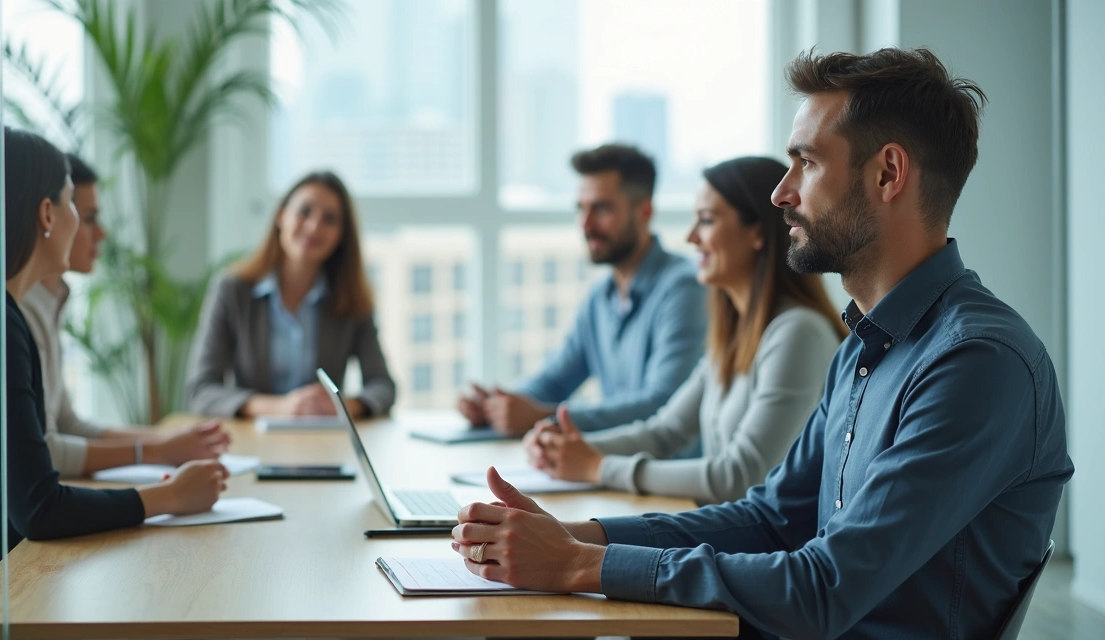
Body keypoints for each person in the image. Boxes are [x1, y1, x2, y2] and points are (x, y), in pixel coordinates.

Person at [450, 48, 1074, 639]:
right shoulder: (864, 345)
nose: (782, 192)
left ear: (888, 173)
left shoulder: (976, 363)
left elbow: (825, 588)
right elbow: (770, 518)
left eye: (807, 162)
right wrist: (575, 536)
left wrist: (577, 566)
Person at [0, 126, 226, 640]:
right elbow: (39, 509)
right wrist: (170, 498)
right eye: (72, 201)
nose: (81, 222)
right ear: (46, 214)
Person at [524, 157, 847, 502]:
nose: (691, 237)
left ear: (757, 233)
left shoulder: (797, 334)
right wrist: (567, 448)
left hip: (767, 548)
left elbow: (741, 475)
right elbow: (665, 432)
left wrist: (598, 467)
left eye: (706, 220)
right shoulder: (736, 333)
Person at [458, 144, 705, 437]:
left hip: (664, 477)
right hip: (611, 469)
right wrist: (496, 405)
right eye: (581, 209)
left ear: (644, 212)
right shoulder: (600, 298)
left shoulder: (685, 289)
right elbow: (554, 382)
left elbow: (664, 404)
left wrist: (547, 417)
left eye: (601, 209)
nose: (585, 225)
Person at [19, 153, 231, 478]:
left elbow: (66, 423)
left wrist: (168, 440)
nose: (100, 234)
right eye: (87, 217)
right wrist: (157, 452)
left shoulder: (50, 298)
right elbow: (45, 451)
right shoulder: (18, 310)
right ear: (47, 216)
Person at [186, 171, 395, 419]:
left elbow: (383, 386)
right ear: (281, 216)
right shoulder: (233, 290)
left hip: (324, 444)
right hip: (251, 442)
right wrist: (280, 408)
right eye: (304, 211)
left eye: (330, 219)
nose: (314, 226)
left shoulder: (352, 299)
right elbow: (200, 390)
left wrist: (341, 406)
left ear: (341, 235)